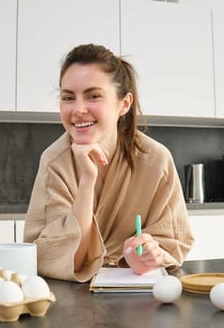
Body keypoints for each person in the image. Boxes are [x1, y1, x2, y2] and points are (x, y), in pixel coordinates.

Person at [24, 44, 194, 282]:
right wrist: (86, 182)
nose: (78, 109)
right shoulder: (54, 162)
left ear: (124, 104)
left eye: (93, 96)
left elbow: (173, 240)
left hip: (137, 299)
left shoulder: (156, 159)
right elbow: (53, 256)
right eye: (68, 97)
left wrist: (146, 255)